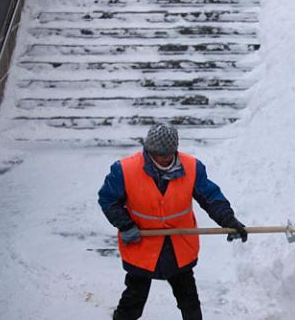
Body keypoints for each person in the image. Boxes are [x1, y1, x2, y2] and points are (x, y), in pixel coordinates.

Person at [98, 123, 247, 320]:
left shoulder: (192, 167)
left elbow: (210, 197)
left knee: (189, 302)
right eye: (158, 154)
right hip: (142, 245)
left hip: (179, 246)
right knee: (133, 301)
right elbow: (108, 200)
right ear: (149, 150)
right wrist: (125, 224)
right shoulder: (124, 170)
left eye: (168, 154)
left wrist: (229, 221)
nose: (164, 158)